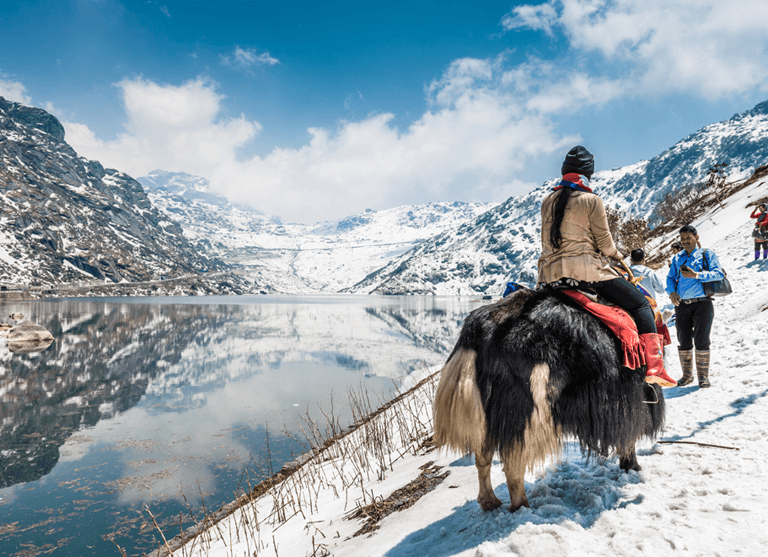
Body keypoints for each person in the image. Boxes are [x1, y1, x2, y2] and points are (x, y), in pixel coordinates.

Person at [538, 145, 675, 387]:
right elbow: (605, 244)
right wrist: (618, 257)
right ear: (587, 173)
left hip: (550, 276)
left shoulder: (548, 200)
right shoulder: (591, 200)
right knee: (641, 304)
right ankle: (655, 367)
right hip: (587, 273)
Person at [666, 224, 724, 388]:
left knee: (702, 339)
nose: (684, 241)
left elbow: (718, 274)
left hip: (703, 303)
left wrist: (696, 275)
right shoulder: (677, 258)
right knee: (683, 339)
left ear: (696, 237)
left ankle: (703, 377)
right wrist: (671, 292)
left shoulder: (707, 254)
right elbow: (670, 278)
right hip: (682, 305)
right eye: (682, 238)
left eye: (688, 238)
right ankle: (687, 376)